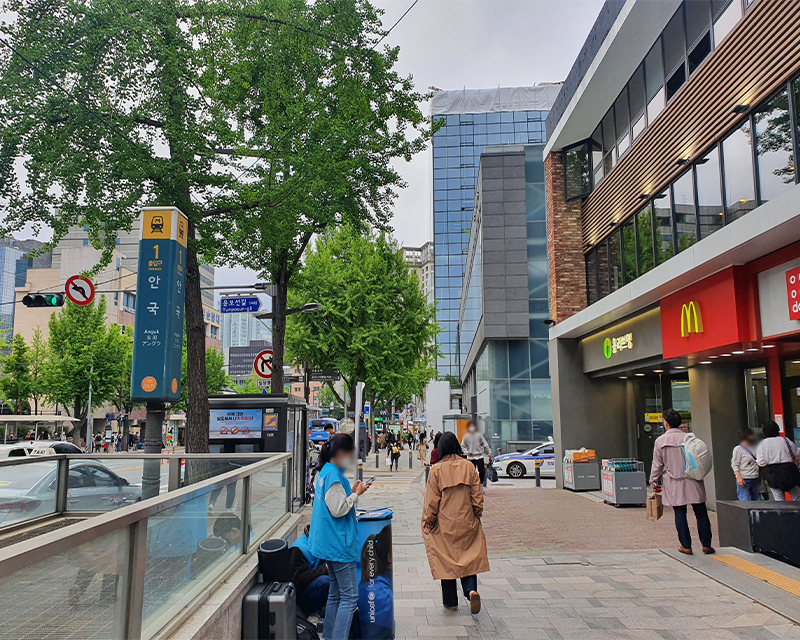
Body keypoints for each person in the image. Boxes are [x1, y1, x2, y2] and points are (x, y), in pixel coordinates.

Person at [308, 433, 370, 640]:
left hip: (327, 542)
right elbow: (338, 508)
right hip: (338, 544)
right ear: (342, 453)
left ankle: (329, 636)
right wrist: (356, 495)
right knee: (350, 597)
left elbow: (333, 500)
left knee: (335, 594)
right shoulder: (333, 475)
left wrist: (350, 491)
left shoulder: (325, 471)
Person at [421, 432, 489, 614]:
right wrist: (476, 515)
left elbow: (431, 502)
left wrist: (428, 522)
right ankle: (471, 590)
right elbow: (477, 497)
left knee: (446, 559)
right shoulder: (468, 467)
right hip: (467, 519)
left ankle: (451, 602)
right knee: (468, 556)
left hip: (445, 523)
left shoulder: (436, 470)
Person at [650, 409, 714, 555]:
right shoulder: (690, 438)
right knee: (701, 512)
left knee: (680, 513)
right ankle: (706, 544)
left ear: (665, 423)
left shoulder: (660, 441)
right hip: (693, 479)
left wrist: (653, 483)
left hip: (674, 481)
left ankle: (686, 546)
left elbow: (657, 465)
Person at [290, 525, 330, 617]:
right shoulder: (299, 549)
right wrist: (325, 569)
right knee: (324, 582)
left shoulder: (320, 544)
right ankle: (311, 614)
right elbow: (297, 579)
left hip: (314, 586)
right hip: (301, 594)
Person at [756, 421, 800, 501]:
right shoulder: (786, 440)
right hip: (790, 473)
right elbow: (796, 453)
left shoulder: (762, 444)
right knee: (797, 498)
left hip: (773, 474)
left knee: (778, 500)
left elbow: (761, 462)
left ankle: (782, 513)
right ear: (777, 430)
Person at [731, 427, 761, 501]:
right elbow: (735, 464)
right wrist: (739, 477)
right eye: (751, 435)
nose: (753, 437)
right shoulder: (738, 449)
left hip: (755, 478)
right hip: (744, 478)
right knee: (745, 500)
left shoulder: (755, 448)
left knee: (756, 501)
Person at [460, 421, 492, 486]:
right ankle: (471, 484)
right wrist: (467, 452)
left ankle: (480, 484)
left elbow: (485, 444)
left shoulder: (479, 435)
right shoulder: (466, 436)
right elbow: (463, 446)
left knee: (482, 471)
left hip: (479, 456)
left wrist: (489, 452)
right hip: (470, 457)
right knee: (470, 472)